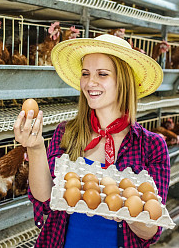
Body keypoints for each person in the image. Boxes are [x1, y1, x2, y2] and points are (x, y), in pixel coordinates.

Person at [13, 34, 170, 248]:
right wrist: (35, 147)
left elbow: (150, 231)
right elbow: (46, 198)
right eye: (85, 74)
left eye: (102, 74)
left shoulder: (151, 147)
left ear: (123, 80)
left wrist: (127, 210)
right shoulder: (67, 133)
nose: (90, 82)